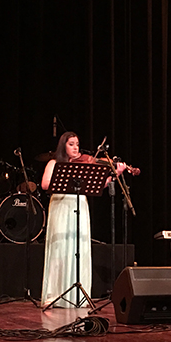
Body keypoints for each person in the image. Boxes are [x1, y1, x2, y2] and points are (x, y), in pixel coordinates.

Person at [40, 132, 125, 308]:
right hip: (61, 206)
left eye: (77, 144)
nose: (76, 148)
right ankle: (54, 294)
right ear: (63, 146)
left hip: (80, 204)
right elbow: (45, 184)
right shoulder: (54, 163)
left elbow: (99, 184)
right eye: (71, 144)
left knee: (80, 247)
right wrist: (65, 176)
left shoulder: (85, 164)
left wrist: (115, 173)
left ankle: (78, 293)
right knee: (60, 249)